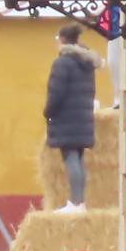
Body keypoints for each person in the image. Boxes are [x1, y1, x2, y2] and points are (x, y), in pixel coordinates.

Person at [44, 25, 97, 210]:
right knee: (79, 158)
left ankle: (75, 202)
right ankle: (80, 200)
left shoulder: (62, 63)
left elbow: (56, 93)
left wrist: (48, 112)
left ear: (63, 40)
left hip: (66, 118)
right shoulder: (86, 62)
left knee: (70, 157)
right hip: (82, 117)